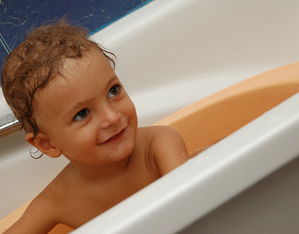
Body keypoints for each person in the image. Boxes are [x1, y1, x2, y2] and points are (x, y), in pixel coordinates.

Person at [1, 20, 189, 233]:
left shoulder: (159, 145)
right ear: (47, 144)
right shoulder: (57, 199)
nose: (112, 117)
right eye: (82, 114)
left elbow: (194, 206)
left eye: (113, 91)